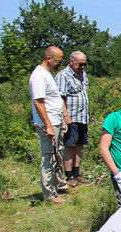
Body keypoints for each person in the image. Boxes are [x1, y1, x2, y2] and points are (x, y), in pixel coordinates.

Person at [30, 46, 68, 204]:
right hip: (48, 124)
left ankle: (57, 185)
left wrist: (63, 118)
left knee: (57, 154)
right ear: (49, 58)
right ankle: (49, 194)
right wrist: (49, 126)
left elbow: (55, 98)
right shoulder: (39, 76)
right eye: (59, 61)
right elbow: (38, 102)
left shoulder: (47, 75)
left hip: (55, 121)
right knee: (49, 157)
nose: (60, 64)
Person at [55, 50, 92, 188]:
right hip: (72, 116)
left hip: (82, 117)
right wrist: (65, 116)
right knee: (70, 146)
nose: (82, 67)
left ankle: (77, 174)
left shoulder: (83, 74)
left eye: (84, 64)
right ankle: (69, 176)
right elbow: (60, 98)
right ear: (71, 62)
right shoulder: (63, 76)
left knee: (79, 146)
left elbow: (85, 89)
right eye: (80, 64)